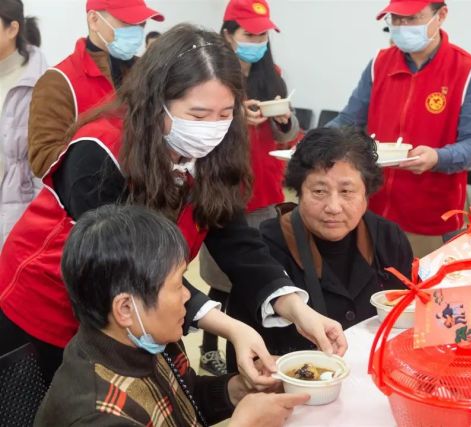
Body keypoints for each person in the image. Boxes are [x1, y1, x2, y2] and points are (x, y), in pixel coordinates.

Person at [0, 25, 346, 386]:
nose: (213, 128)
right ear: (156, 101)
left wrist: (295, 307)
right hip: (48, 307)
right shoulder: (100, 152)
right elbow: (129, 266)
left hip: (140, 309)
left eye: (226, 113)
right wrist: (231, 327)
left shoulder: (208, 152)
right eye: (198, 116)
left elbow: (236, 242)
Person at [35, 204, 309, 427]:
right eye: (179, 285)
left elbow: (185, 401)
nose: (188, 296)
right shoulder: (96, 413)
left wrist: (240, 389)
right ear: (126, 309)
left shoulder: (146, 338)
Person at [326, 0, 471, 258]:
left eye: (412, 18)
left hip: (430, 213)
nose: (402, 27)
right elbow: (348, 120)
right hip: (370, 206)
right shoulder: (379, 64)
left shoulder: (468, 70)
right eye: (396, 19)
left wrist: (438, 157)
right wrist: (316, 140)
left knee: (420, 290)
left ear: (441, 15)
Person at [242, 127, 413, 357]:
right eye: (319, 191)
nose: (333, 207)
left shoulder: (389, 239)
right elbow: (246, 353)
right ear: (299, 192)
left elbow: (410, 322)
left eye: (347, 191)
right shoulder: (265, 249)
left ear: (366, 196)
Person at [199, 0, 301, 375]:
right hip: (224, 190)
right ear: (228, 34)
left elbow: (288, 136)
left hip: (265, 187)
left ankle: (250, 346)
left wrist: (285, 118)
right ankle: (212, 345)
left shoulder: (271, 74)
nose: (257, 41)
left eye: (262, 34)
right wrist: (233, 116)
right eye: (249, 34)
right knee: (222, 278)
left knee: (258, 271)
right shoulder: (211, 77)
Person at [27, 0, 164, 178]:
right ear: (94, 20)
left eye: (142, 24)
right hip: (89, 199)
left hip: (145, 195)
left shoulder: (147, 74)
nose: (137, 31)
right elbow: (42, 159)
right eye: (128, 22)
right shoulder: (59, 81)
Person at [0, 1, 47, 247]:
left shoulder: (40, 83)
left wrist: (35, 225)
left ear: (12, 29)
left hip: (18, 214)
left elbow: (44, 167)